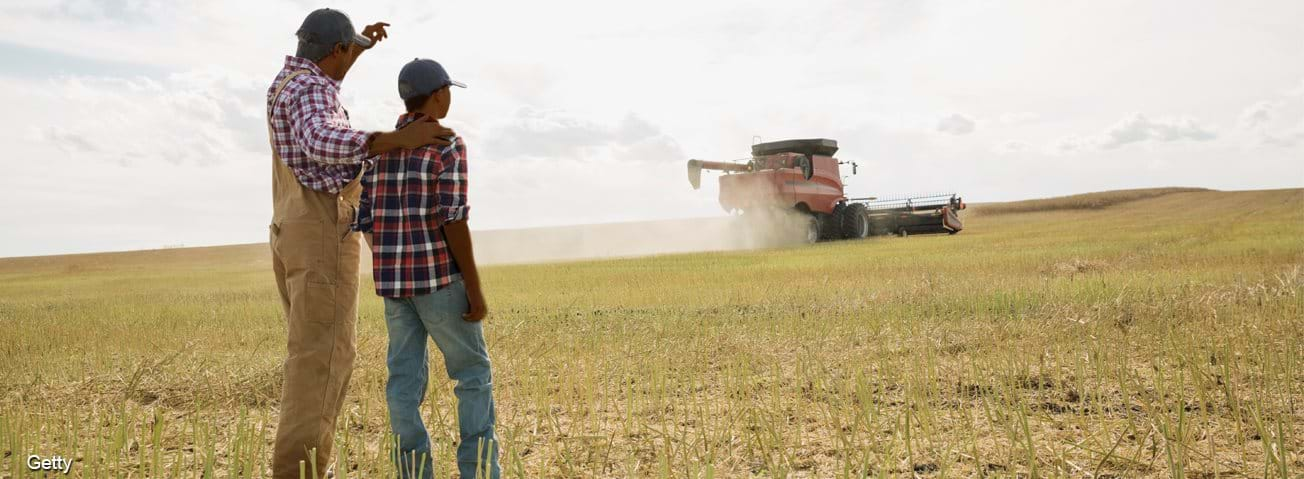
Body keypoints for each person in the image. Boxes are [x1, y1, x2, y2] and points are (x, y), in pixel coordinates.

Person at [264, 9, 454, 479]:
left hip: (291, 225)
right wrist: (392, 139)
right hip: (321, 229)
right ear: (334, 51)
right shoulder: (312, 92)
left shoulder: (288, 80)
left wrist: (363, 44)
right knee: (323, 359)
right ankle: (299, 473)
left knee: (312, 351)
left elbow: (321, 92)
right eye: (347, 50)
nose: (351, 59)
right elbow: (318, 137)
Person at [353, 58, 499, 479]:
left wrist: (392, 262)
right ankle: (480, 472)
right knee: (472, 375)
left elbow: (366, 220)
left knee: (402, 384)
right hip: (438, 281)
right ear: (438, 95)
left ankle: (414, 474)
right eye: (448, 91)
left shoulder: (378, 149)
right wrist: (473, 286)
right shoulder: (447, 144)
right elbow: (452, 219)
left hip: (395, 289)